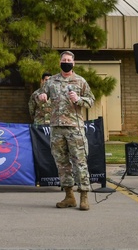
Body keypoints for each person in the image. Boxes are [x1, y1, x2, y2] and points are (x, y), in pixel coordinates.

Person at [35, 51, 94, 211]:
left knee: (79, 162)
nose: (66, 62)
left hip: (75, 128)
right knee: (62, 163)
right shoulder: (52, 81)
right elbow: (40, 95)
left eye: (69, 60)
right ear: (60, 62)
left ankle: (84, 196)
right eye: (64, 60)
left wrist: (79, 99)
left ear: (73, 63)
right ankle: (69, 196)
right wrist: (41, 97)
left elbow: (91, 101)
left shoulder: (80, 81)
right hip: (56, 127)